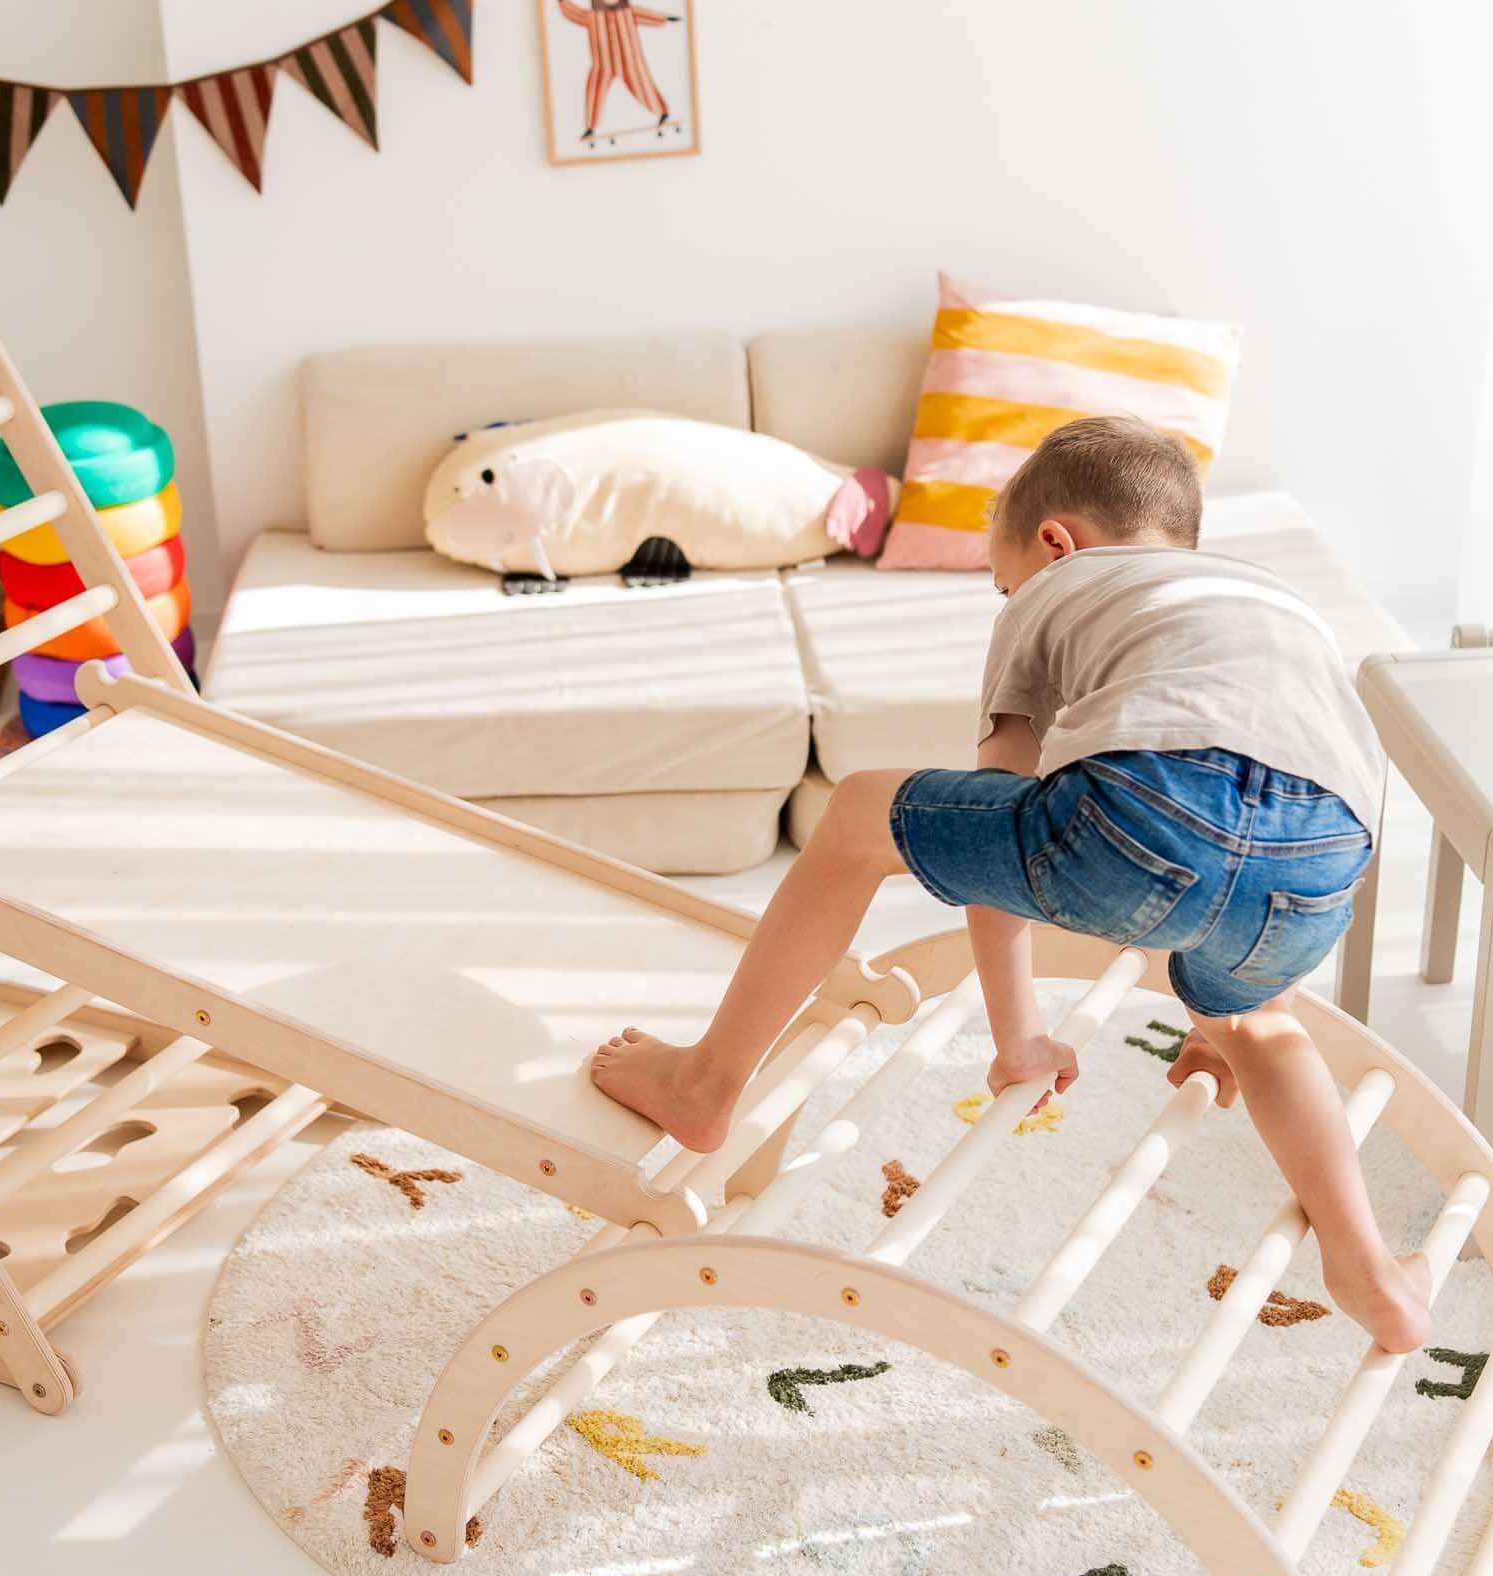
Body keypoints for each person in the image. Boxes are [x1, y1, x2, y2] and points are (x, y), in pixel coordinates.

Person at [591, 415, 1430, 1352]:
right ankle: (1367, 1267)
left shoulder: (1057, 590)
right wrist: (1215, 1008)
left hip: (1150, 816)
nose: (1009, 596)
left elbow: (1007, 810)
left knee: (863, 813)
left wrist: (1018, 1038)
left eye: (1004, 579)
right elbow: (1252, 801)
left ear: (1055, 543)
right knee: (1266, 1026)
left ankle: (705, 1083)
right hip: (1328, 860)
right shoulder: (1268, 598)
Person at [557, 0, 679, 139]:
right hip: (603, 65)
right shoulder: (593, 16)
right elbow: (575, 14)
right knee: (594, 91)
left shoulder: (628, 12)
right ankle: (590, 127)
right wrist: (562, 3)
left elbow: (646, 15)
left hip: (629, 61)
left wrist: (666, 18)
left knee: (643, 86)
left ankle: (662, 112)